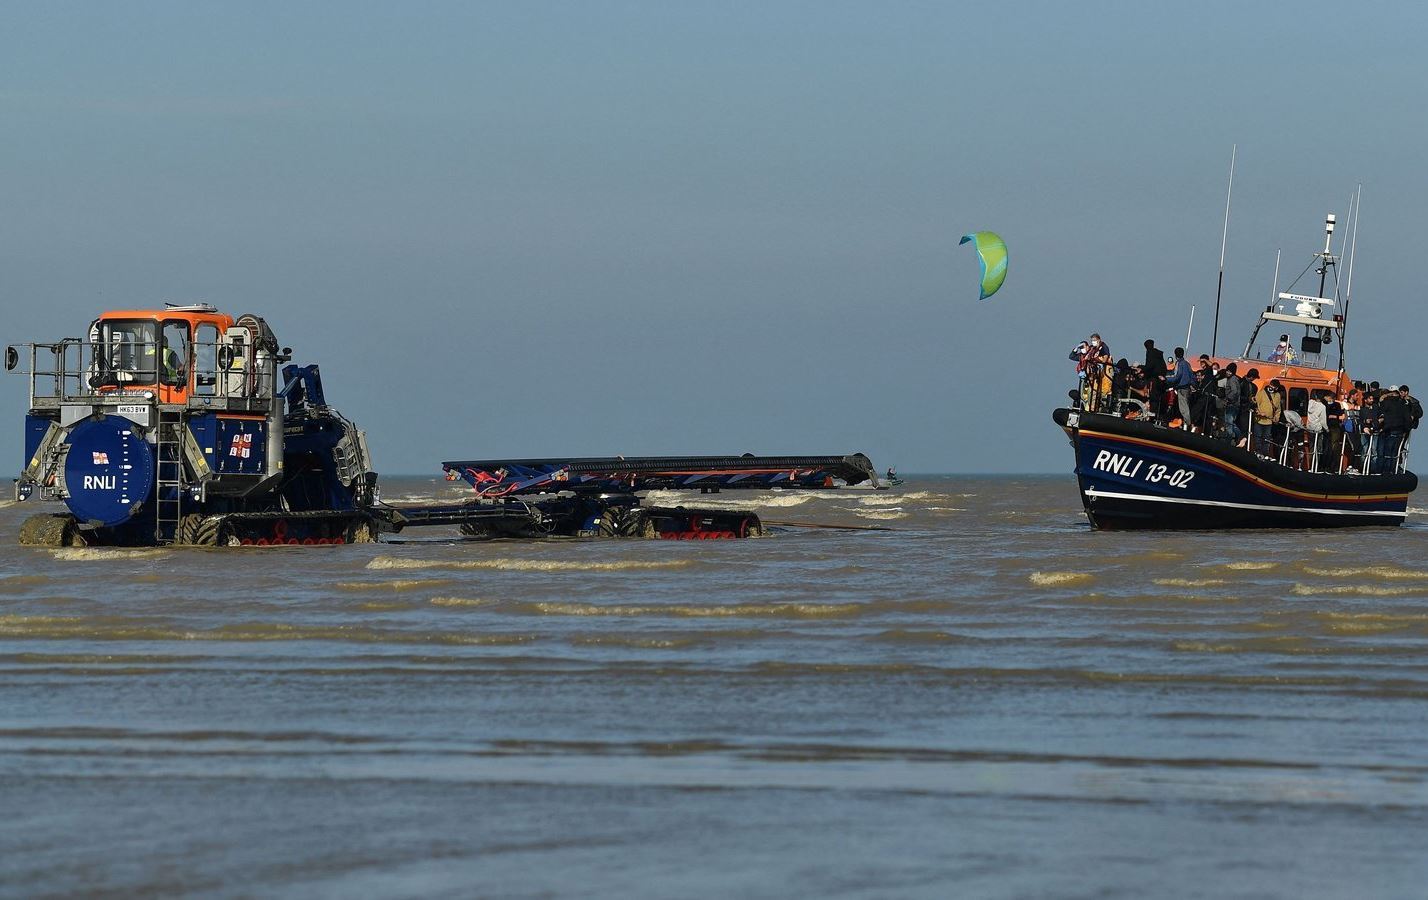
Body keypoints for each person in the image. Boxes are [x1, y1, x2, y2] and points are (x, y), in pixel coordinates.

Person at [1376, 386, 1409, 474]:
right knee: (1395, 454)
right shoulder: (1403, 404)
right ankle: (1393, 471)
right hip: (1400, 431)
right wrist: (1406, 429)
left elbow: (1381, 413)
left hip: (1389, 430)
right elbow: (1408, 419)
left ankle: (1385, 471)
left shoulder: (1386, 403)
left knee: (1387, 452)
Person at [1252, 379, 1283, 458]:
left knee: (1266, 439)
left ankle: (1265, 454)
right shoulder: (1261, 393)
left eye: (1275, 387)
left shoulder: (1278, 395)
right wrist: (1258, 412)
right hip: (1259, 420)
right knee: (1258, 437)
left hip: (1269, 421)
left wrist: (1277, 417)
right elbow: (1255, 404)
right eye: (1271, 386)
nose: (1272, 388)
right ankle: (1258, 452)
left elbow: (1278, 409)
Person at [1166, 346, 1195, 428]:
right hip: (1188, 388)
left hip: (1182, 388)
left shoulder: (1179, 363)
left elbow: (1177, 376)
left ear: (1175, 355)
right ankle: (1185, 424)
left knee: (1183, 408)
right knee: (1186, 406)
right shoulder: (1187, 364)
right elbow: (1192, 376)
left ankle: (1188, 424)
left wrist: (1166, 379)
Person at [1143, 339, 1167, 421]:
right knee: (1158, 398)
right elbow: (1164, 367)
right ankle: (1157, 415)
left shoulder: (1150, 353)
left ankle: (1152, 415)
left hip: (1154, 378)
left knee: (1153, 397)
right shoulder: (1159, 355)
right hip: (1160, 379)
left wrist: (1141, 368)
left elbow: (1149, 366)